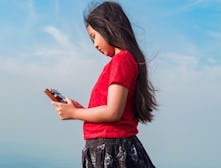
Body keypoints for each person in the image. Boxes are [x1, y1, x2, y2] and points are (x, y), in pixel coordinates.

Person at [52, 1, 157, 167]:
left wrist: (74, 113)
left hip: (112, 149)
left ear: (108, 27)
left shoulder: (122, 60)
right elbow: (110, 111)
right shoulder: (121, 61)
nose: (94, 45)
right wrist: (82, 111)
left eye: (94, 36)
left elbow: (113, 112)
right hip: (108, 147)